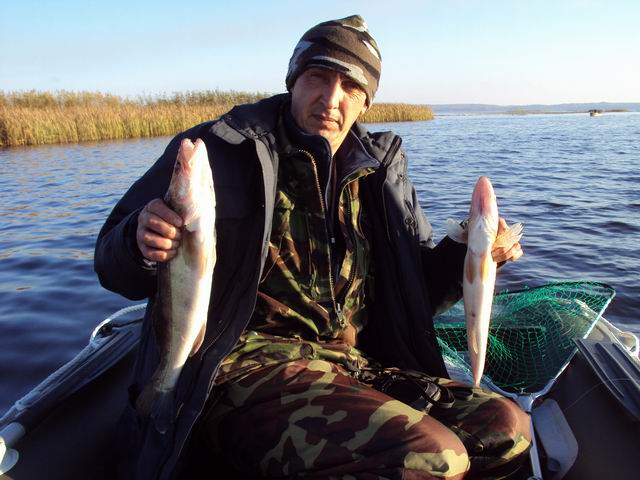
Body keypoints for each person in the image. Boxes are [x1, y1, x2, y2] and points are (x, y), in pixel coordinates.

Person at [95, 15, 529, 480]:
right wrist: (139, 240)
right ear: (294, 80)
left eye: (351, 86)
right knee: (433, 456)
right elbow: (111, 264)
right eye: (318, 77)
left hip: (351, 364)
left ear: (365, 100)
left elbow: (415, 296)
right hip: (242, 369)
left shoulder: (380, 171)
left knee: (506, 429)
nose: (331, 98)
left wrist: (468, 256)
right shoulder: (218, 149)